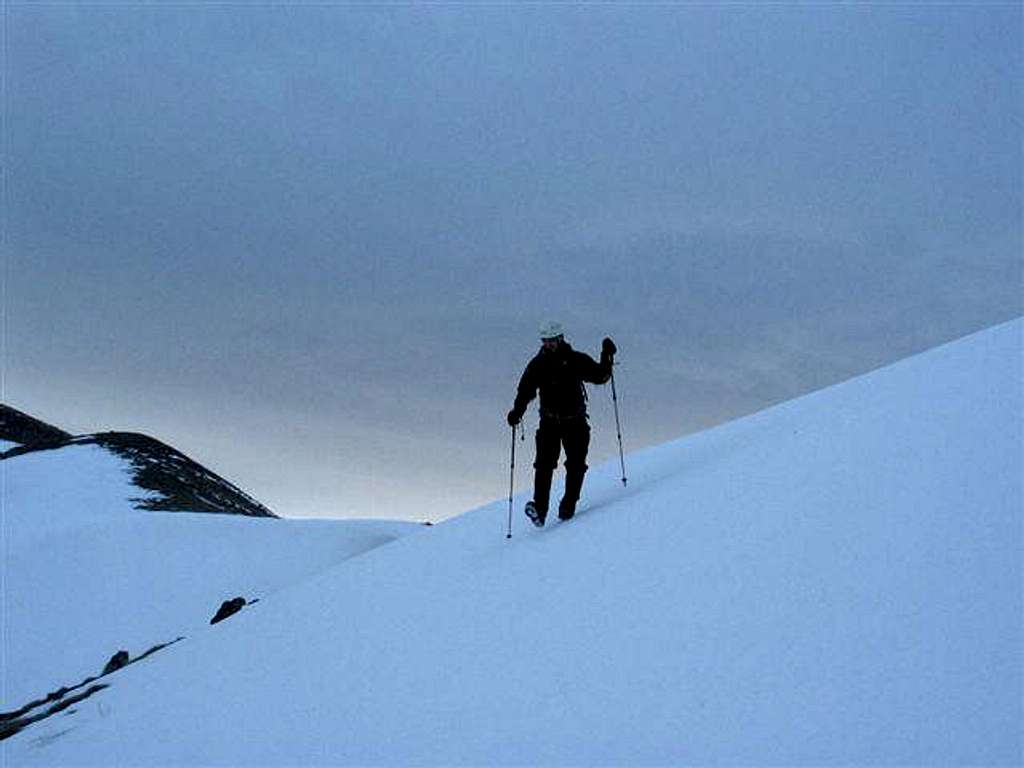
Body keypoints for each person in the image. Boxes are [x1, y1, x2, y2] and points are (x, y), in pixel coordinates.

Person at [506, 322, 617, 526]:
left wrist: (606, 355)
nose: (548, 344)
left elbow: (600, 375)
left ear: (560, 339)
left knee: (576, 465)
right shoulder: (538, 364)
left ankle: (568, 506)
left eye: (551, 340)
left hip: (575, 422)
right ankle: (539, 509)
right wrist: (517, 413)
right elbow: (525, 391)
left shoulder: (575, 360)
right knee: (544, 465)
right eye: (545, 341)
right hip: (549, 422)